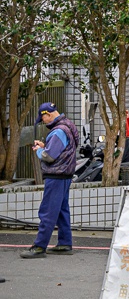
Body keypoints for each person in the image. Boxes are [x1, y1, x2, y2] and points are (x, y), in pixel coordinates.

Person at [20, 103, 80, 259]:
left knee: (47, 212)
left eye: (43, 118)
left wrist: (40, 150)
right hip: (66, 175)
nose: (43, 121)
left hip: (56, 176)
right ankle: (65, 244)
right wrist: (46, 145)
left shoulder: (58, 131)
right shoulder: (68, 125)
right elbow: (63, 149)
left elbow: (49, 156)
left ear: (49, 114)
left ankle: (39, 247)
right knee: (62, 210)